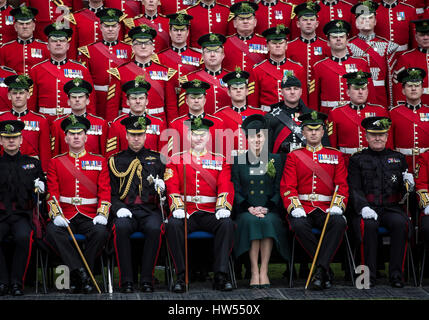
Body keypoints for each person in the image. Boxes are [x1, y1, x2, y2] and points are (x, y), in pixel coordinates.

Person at [165, 117, 235, 293]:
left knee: (226, 225)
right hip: (187, 211)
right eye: (194, 134)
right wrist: (177, 207)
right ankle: (181, 276)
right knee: (173, 225)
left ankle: (221, 275)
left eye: (202, 134)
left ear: (209, 136)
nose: (198, 138)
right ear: (188, 136)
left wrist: (223, 207)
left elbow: (225, 184)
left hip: (211, 211)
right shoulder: (176, 159)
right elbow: (171, 185)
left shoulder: (220, 159)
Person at [280, 111, 348, 290]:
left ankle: (320, 269)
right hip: (303, 207)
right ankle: (324, 269)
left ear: (323, 132)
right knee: (298, 225)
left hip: (327, 207)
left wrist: (337, 205)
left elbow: (342, 185)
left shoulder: (336, 156)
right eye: (309, 130)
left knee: (339, 222)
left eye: (317, 130)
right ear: (303, 132)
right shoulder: (294, 156)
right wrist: (295, 206)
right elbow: (288, 186)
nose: (313, 133)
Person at [45, 115, 111, 294]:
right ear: (65, 138)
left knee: (101, 232)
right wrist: (56, 214)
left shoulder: (99, 161)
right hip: (65, 214)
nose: (75, 137)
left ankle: (77, 275)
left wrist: (102, 213)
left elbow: (104, 191)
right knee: (52, 231)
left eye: (79, 133)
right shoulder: (55, 162)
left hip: (90, 214)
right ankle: (82, 274)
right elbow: (53, 192)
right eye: (71, 134)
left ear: (86, 137)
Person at [348, 116, 413, 288]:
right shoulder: (357, 159)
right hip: (367, 208)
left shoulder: (398, 158)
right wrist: (363, 207)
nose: (378, 138)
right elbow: (354, 188)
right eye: (373, 135)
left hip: (391, 207)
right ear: (366, 137)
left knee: (401, 224)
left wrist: (408, 186)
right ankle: (366, 277)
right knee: (367, 226)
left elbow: (402, 191)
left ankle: (397, 275)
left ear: (386, 136)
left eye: (381, 135)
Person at [231, 114, 290, 288]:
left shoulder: (276, 159)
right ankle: (254, 270)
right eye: (252, 136)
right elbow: (235, 189)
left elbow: (281, 187)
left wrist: (268, 207)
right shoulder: (238, 160)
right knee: (251, 222)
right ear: (246, 138)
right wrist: (248, 207)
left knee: (269, 221)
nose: (256, 140)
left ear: (265, 137)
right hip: (246, 211)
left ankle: (264, 270)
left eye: (260, 136)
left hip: (269, 209)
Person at [109, 115, 166, 293]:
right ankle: (126, 280)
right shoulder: (115, 160)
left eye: (139, 135)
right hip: (127, 209)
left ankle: (147, 279)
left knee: (155, 228)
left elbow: (167, 189)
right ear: (126, 136)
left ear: (145, 135)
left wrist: (162, 188)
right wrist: (118, 208)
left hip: (150, 210)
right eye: (132, 135)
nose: (136, 138)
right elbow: (109, 192)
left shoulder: (157, 159)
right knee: (121, 228)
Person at [0, 120, 45, 296]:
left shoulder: (32, 164)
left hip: (22, 214)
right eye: (7, 138)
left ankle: (18, 283)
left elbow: (43, 189)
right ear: (1, 141)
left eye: (15, 138)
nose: (11, 141)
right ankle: (3, 282)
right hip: (1, 213)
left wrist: (41, 187)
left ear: (21, 140)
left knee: (23, 237)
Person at [105, 24, 177, 122]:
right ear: (133, 48)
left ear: (153, 47)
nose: (143, 46)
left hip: (157, 122)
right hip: (128, 122)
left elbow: (171, 106)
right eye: (138, 43)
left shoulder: (165, 72)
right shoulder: (120, 72)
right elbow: (112, 106)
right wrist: (112, 125)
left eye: (147, 43)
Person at [28, 23, 96, 122]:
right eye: (54, 41)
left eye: (62, 41)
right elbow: (31, 103)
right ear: (47, 46)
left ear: (68, 45)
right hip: (46, 121)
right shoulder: (36, 70)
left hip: (73, 123)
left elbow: (90, 102)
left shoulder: (81, 69)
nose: (58, 43)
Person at [327, 70, 392, 166]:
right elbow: (332, 146)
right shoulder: (336, 113)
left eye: (364, 88)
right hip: (347, 163)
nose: (360, 92)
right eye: (356, 89)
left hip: (375, 163)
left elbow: (388, 142)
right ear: (348, 92)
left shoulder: (380, 111)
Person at [310, 19, 374, 115]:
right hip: (328, 113)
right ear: (327, 42)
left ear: (347, 41)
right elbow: (313, 98)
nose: (338, 39)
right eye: (334, 37)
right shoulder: (319, 66)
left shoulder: (361, 63)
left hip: (355, 113)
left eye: (342, 37)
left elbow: (370, 93)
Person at [77, 7, 132, 119]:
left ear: (119, 27)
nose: (110, 29)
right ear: (101, 27)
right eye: (107, 26)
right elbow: (86, 83)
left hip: (123, 99)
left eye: (113, 26)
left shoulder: (130, 50)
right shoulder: (89, 51)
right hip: (98, 100)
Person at [265, 73, 329, 165]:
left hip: (307, 165)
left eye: (296, 89)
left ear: (301, 91)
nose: (292, 92)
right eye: (288, 89)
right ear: (281, 92)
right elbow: (266, 149)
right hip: (281, 164)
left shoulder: (313, 116)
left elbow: (324, 147)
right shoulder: (271, 117)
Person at [348, 0, 399, 108]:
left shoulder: (388, 46)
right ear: (356, 23)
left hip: (380, 97)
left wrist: (391, 105)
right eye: (362, 18)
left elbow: (391, 81)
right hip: (357, 96)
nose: (366, 21)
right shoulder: (348, 46)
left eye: (370, 18)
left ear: (375, 21)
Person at [248, 24, 308, 112]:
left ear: (286, 45)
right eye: (274, 43)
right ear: (268, 46)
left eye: (281, 43)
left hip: (291, 116)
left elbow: (303, 98)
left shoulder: (298, 68)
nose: (278, 46)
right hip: (267, 115)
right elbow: (253, 101)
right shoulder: (257, 70)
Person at [106, 76, 167, 160]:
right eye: (134, 98)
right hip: (124, 170)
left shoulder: (159, 123)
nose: (138, 101)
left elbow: (164, 156)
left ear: (147, 101)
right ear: (127, 101)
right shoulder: (117, 124)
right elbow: (111, 156)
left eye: (141, 98)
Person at [0, 74, 51, 173]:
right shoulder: (1, 119)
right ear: (9, 96)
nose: (18, 96)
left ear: (28, 95)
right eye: (14, 93)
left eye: (21, 93)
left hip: (31, 170)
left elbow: (45, 153)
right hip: (5, 170)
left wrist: (44, 175)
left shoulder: (41, 120)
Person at [214, 68, 265, 160]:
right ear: (229, 92)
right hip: (228, 162)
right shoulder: (219, 116)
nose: (238, 91)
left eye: (241, 88)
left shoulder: (259, 114)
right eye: (234, 88)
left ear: (247, 91)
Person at [50, 79, 108, 157]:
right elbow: (55, 155)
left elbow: (104, 153)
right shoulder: (57, 124)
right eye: (74, 97)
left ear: (87, 100)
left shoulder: (101, 123)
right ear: (68, 101)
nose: (77, 100)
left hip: (92, 166)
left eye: (81, 97)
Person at [178, 33, 231, 115]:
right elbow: (184, 113)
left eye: (216, 51)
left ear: (223, 55)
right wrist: (187, 128)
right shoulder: (189, 79)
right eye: (208, 51)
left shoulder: (230, 78)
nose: (212, 55)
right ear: (202, 56)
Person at [169, 79, 224, 157]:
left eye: (199, 98)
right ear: (186, 100)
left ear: (205, 100)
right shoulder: (176, 124)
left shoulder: (217, 123)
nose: (196, 101)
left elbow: (221, 154)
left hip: (209, 167)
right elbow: (172, 156)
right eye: (192, 98)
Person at [390, 67, 429, 172]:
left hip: (426, 165)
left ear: (422, 89)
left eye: (417, 86)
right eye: (409, 86)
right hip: (401, 165)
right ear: (403, 90)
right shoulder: (393, 113)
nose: (413, 89)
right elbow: (389, 145)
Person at [287, 1, 330, 97]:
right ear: (298, 24)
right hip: (296, 94)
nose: (309, 22)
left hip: (320, 93)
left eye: (312, 19)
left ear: (317, 23)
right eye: (305, 20)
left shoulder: (326, 46)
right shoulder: (289, 47)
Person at [0, 5, 49, 75]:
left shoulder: (45, 48)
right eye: (21, 24)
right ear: (15, 27)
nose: (25, 26)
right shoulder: (4, 49)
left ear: (34, 26)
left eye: (28, 23)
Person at [223, 2, 268, 73]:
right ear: (234, 23)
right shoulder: (225, 43)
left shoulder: (265, 42)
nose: (245, 21)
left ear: (255, 22)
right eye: (241, 19)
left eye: (249, 18)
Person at [392, 19, 429, 105]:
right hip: (417, 105)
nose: (426, 37)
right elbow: (398, 85)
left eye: (428, 34)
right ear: (416, 36)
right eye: (422, 35)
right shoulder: (406, 57)